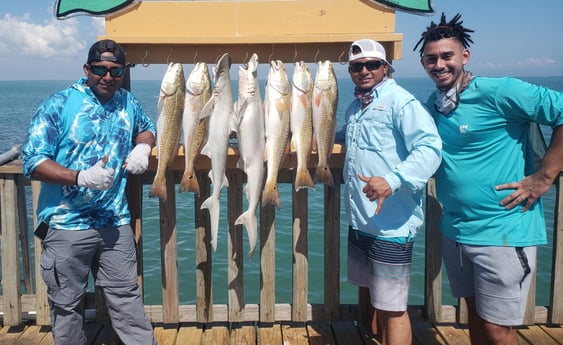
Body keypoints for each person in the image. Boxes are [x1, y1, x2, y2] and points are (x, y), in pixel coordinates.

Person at [415, 13, 563, 345]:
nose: (439, 64)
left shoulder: (499, 91)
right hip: (456, 230)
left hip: (503, 231)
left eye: (447, 56)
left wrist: (545, 176)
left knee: (499, 330)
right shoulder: (434, 104)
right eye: (431, 58)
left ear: (464, 56)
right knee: (477, 320)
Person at [22, 39, 157, 345]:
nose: (107, 77)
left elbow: (147, 127)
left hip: (115, 223)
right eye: (100, 69)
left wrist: (143, 146)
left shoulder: (128, 102)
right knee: (67, 306)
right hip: (66, 225)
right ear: (87, 69)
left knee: (127, 300)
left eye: (115, 71)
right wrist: (80, 177)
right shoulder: (59, 104)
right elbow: (33, 161)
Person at [338, 39, 442, 345]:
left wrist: (393, 179)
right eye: (357, 66)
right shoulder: (356, 106)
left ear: (386, 68)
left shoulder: (401, 102)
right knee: (372, 298)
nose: (364, 71)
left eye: (372, 65)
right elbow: (345, 137)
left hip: (391, 226)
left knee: (393, 308)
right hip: (361, 221)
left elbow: (430, 148)